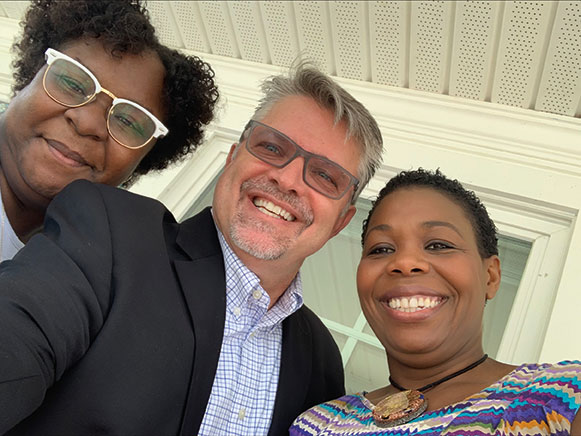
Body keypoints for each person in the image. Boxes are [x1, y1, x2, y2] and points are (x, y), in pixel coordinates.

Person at [0, 59, 384, 434]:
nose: (287, 180)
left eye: (324, 176)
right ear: (233, 158)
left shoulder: (321, 360)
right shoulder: (110, 232)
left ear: (341, 222)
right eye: (272, 147)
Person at [290, 168, 581, 436]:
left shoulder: (560, 397)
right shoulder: (317, 423)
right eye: (381, 249)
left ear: (490, 277)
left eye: (438, 245)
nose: (404, 262)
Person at [0, 0, 219, 261]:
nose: (89, 123)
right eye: (72, 82)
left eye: (128, 121)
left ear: (141, 162)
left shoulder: (80, 275)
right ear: (29, 78)